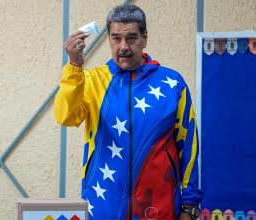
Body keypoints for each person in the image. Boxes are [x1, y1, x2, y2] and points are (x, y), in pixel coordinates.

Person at [54, 4, 202, 219]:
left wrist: (189, 206)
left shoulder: (172, 83)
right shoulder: (92, 80)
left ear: (145, 38)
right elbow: (65, 116)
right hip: (103, 207)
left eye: (131, 38)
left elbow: (188, 146)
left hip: (160, 208)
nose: (123, 46)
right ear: (109, 40)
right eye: (116, 38)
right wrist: (74, 67)